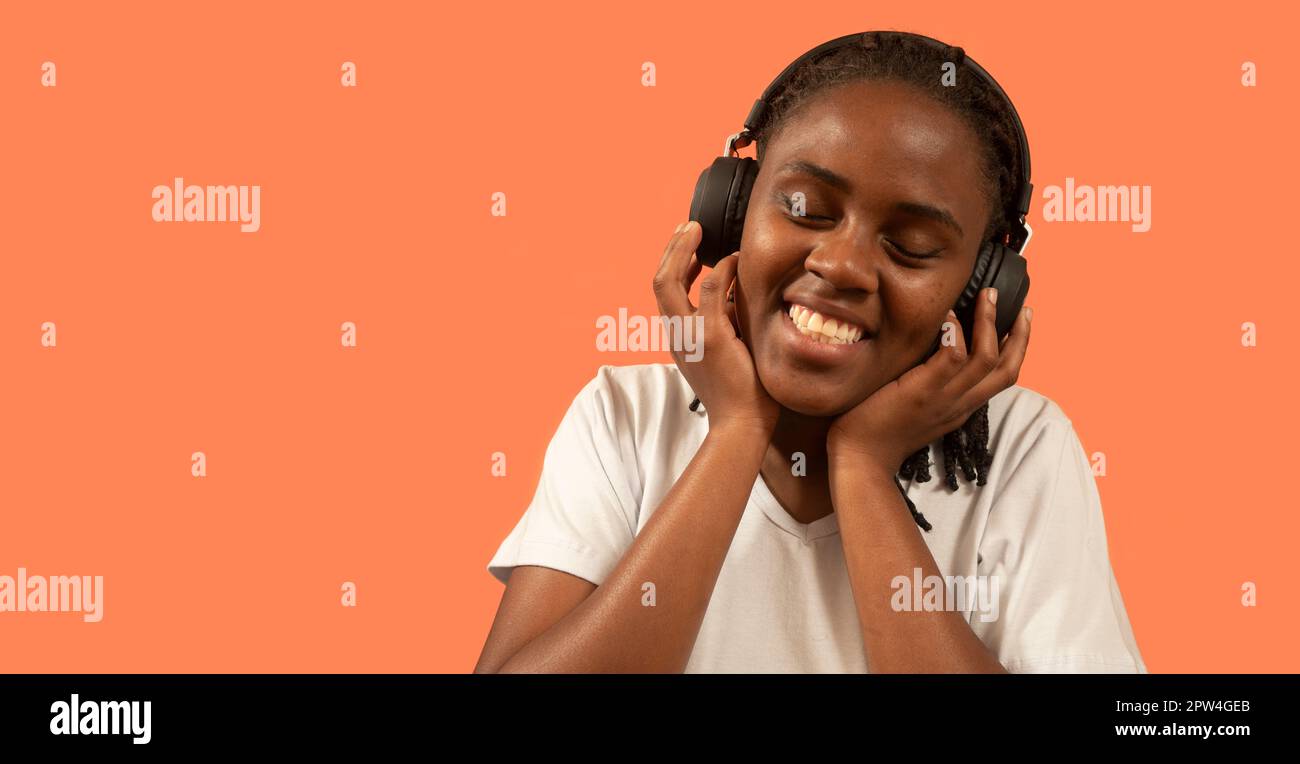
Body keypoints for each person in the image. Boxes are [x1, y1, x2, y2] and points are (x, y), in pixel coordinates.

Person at [476, 31, 1145, 673]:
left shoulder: (1023, 449)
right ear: (731, 211)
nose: (842, 265)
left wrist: (861, 465)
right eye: (802, 206)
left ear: (982, 288)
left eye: (910, 246)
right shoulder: (625, 419)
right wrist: (737, 430)